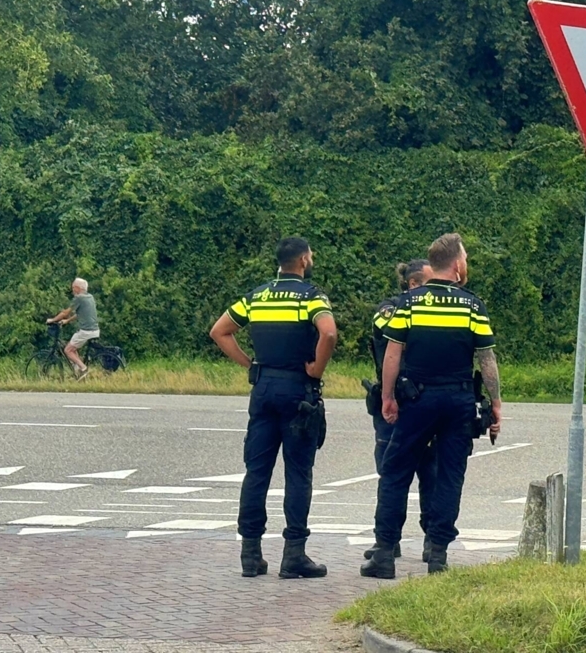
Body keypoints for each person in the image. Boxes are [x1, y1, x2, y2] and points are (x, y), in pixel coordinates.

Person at [361, 233, 502, 579]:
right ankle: (437, 554)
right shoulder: (472, 306)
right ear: (456, 264)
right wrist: (496, 403)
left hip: (417, 399)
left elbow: (393, 354)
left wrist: (388, 396)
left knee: (395, 472)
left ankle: (384, 553)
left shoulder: (409, 303)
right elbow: (486, 360)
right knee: (449, 475)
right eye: (465, 258)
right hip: (458, 401)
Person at [209, 237, 337, 579]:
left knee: (257, 472)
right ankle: (293, 555)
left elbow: (219, 331)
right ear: (304, 260)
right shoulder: (311, 296)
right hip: (298, 389)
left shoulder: (258, 296)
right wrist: (317, 369)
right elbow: (328, 334)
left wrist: (250, 364)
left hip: (263, 387)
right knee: (298, 473)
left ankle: (250, 554)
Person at [363, 259, 437, 563]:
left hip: (428, 402)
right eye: (431, 283)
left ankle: (432, 539)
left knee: (431, 473)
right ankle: (388, 540)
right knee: (391, 474)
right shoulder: (389, 310)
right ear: (413, 284)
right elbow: (398, 338)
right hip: (394, 403)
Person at [46, 278, 100, 380]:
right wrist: (67, 321)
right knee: (73, 347)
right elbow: (79, 314)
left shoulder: (79, 298)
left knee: (67, 350)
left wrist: (52, 320)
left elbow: (65, 313)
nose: (72, 290)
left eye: (73, 288)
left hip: (86, 331)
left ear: (78, 288)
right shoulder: (90, 297)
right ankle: (77, 372)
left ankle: (83, 368)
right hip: (95, 330)